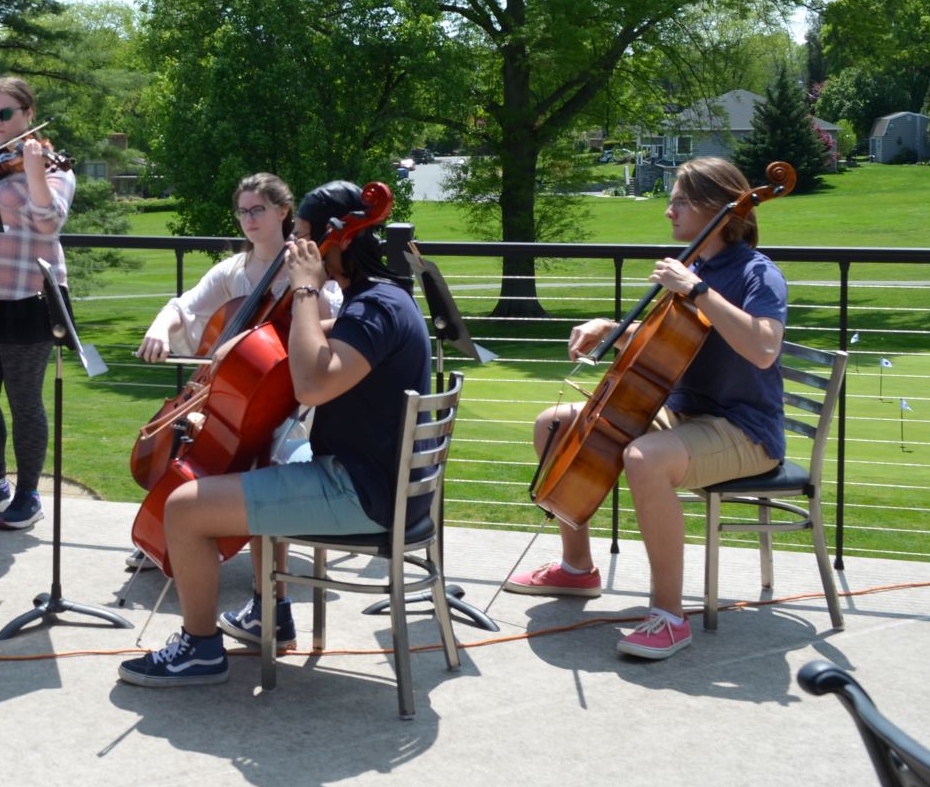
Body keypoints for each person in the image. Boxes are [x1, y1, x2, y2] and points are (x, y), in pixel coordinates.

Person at [118, 180, 431, 688]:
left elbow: (310, 386)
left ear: (340, 240)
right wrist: (245, 339)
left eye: (303, 238)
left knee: (184, 506)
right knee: (267, 462)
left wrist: (305, 287)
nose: (294, 249)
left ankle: (198, 649)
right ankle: (269, 612)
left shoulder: (372, 310)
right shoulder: (381, 301)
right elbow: (325, 341)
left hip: (358, 492)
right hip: (378, 485)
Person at [502, 156, 788, 661]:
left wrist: (697, 292)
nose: (668, 211)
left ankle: (670, 616)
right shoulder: (695, 264)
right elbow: (671, 343)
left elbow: (763, 348)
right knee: (555, 425)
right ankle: (576, 569)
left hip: (745, 430)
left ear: (714, 208)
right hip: (685, 416)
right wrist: (611, 329)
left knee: (644, 458)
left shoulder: (755, 274)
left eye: (679, 200)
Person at [127, 171, 339, 575]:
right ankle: (176, 523)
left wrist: (304, 290)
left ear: (283, 211)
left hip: (288, 397)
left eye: (258, 209)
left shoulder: (306, 270)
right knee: (185, 440)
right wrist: (159, 328)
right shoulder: (233, 271)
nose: (249, 219)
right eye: (242, 212)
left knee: (261, 453)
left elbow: (333, 324)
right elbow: (183, 307)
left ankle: (194, 524)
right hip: (231, 394)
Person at [0, 77, 76, 533]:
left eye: (5, 113)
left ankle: (27, 492)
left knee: (26, 402)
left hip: (28, 295)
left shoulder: (53, 166)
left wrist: (34, 172)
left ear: (28, 113)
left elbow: (50, 224)